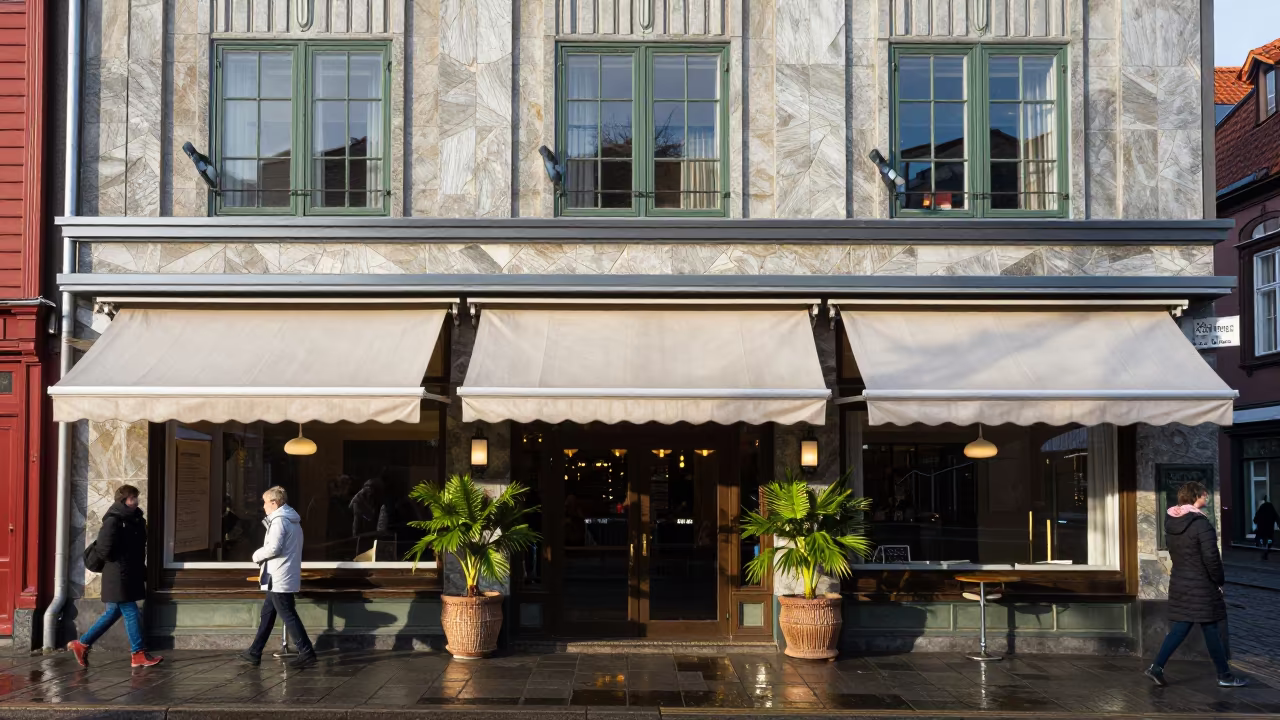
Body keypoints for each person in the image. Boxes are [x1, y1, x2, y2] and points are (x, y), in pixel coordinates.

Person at [1144, 481, 1247, 688]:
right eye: (1204, 495)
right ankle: (1224, 676)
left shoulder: (1172, 522)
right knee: (1210, 628)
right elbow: (1211, 558)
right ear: (1196, 496)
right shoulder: (1201, 524)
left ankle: (1157, 668)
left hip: (1181, 582)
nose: (1206, 498)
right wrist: (1219, 581)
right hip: (1201, 585)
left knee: (1182, 628)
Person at [66, 485, 163, 668]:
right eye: (132, 498)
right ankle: (138, 654)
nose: (136, 501)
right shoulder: (113, 520)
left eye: (136, 497)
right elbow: (103, 549)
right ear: (123, 500)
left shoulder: (136, 520)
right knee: (131, 611)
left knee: (112, 613)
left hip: (129, 573)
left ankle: (82, 644)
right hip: (118, 575)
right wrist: (120, 563)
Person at [241, 486, 317, 669]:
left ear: (274, 503)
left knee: (288, 614)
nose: (264, 506)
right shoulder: (291, 520)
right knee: (268, 614)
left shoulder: (279, 521)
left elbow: (274, 548)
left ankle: (306, 652)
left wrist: (256, 556)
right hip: (282, 573)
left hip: (278, 575)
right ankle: (254, 652)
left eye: (265, 502)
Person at [1254, 497, 1278, 561]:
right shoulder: (1271, 508)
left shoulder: (1261, 508)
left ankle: (1262, 547)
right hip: (1269, 529)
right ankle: (1265, 551)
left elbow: (1256, 518)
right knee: (1270, 540)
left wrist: (1256, 521)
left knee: (1261, 539)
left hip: (1261, 529)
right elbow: (1277, 517)